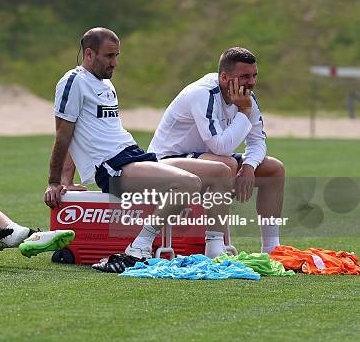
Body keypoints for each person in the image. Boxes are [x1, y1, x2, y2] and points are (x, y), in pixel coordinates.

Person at [44, 27, 233, 271]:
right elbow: (64, 134)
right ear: (89, 54)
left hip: (134, 156)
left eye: (117, 56)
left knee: (220, 172)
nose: (115, 63)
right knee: (189, 183)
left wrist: (67, 178)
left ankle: (214, 249)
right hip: (112, 169)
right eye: (109, 56)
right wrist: (55, 181)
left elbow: (83, 132)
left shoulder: (106, 85)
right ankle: (139, 246)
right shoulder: (73, 81)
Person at [147, 46, 285, 254]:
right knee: (226, 164)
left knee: (274, 169)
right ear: (223, 76)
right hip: (166, 162)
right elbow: (220, 146)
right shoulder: (202, 93)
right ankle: (214, 247)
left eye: (255, 75)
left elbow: (257, 142)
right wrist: (244, 111)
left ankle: (272, 249)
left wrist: (248, 167)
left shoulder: (247, 96)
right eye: (245, 76)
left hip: (209, 161)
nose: (252, 82)